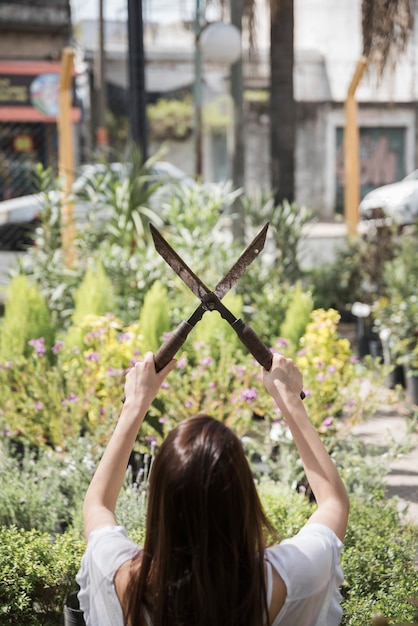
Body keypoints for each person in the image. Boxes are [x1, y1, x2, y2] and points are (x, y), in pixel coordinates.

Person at [76, 351, 349, 626]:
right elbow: (333, 503)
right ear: (243, 496)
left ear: (161, 500)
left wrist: (134, 405)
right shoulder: (289, 579)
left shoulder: (122, 578)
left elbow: (97, 505)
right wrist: (289, 399)